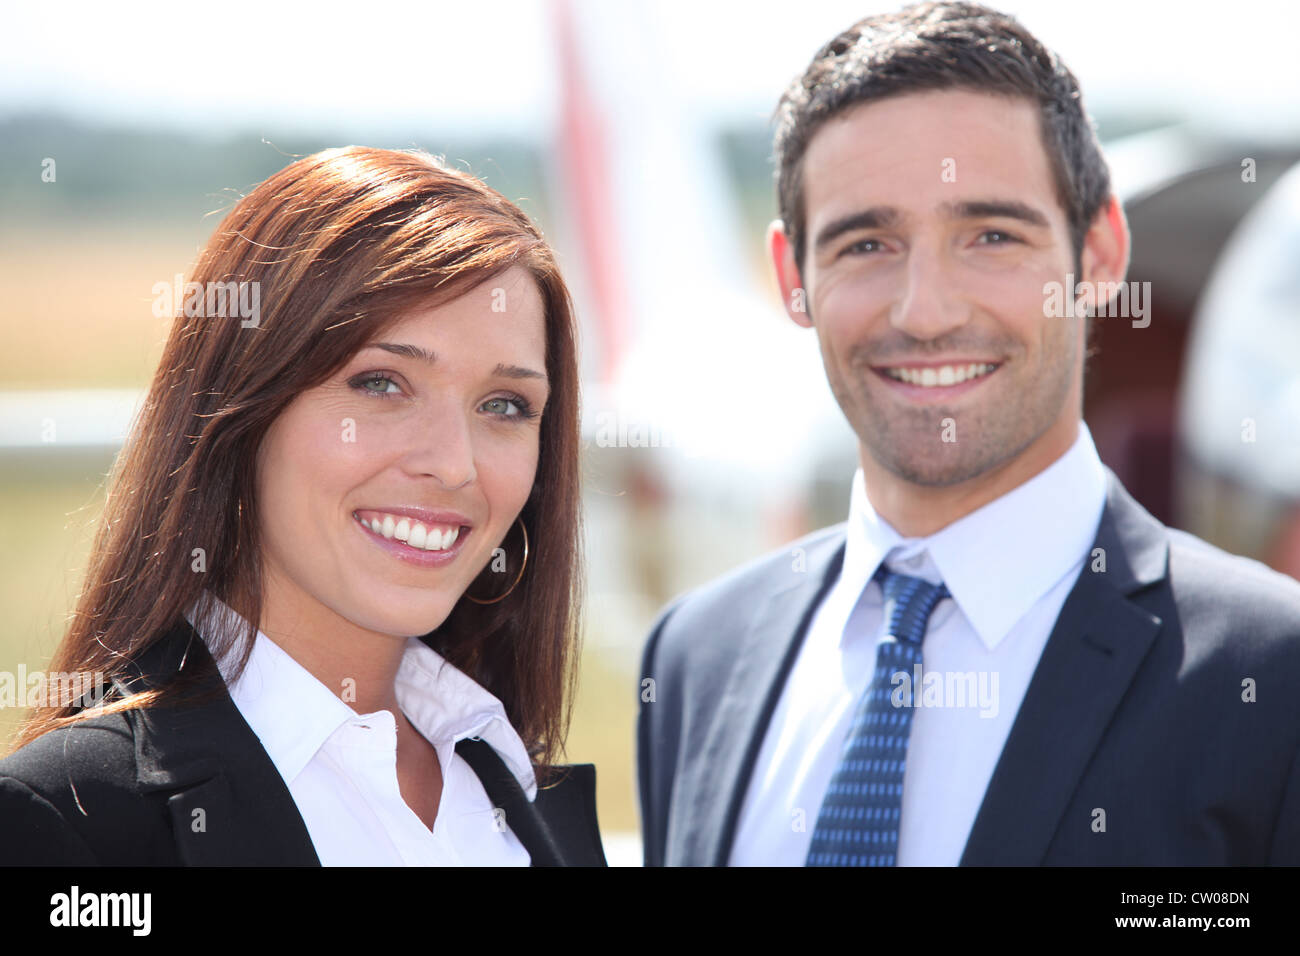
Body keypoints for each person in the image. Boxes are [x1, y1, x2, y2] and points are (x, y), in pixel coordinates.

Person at [637, 1, 1300, 866]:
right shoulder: (695, 659)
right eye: (866, 244)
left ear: (1097, 256)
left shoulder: (1271, 679)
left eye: (991, 235)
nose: (926, 312)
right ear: (790, 277)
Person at [0, 146, 604, 866]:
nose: (454, 465)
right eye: (381, 384)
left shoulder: (513, 783)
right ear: (242, 407)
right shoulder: (74, 823)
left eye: (505, 404)